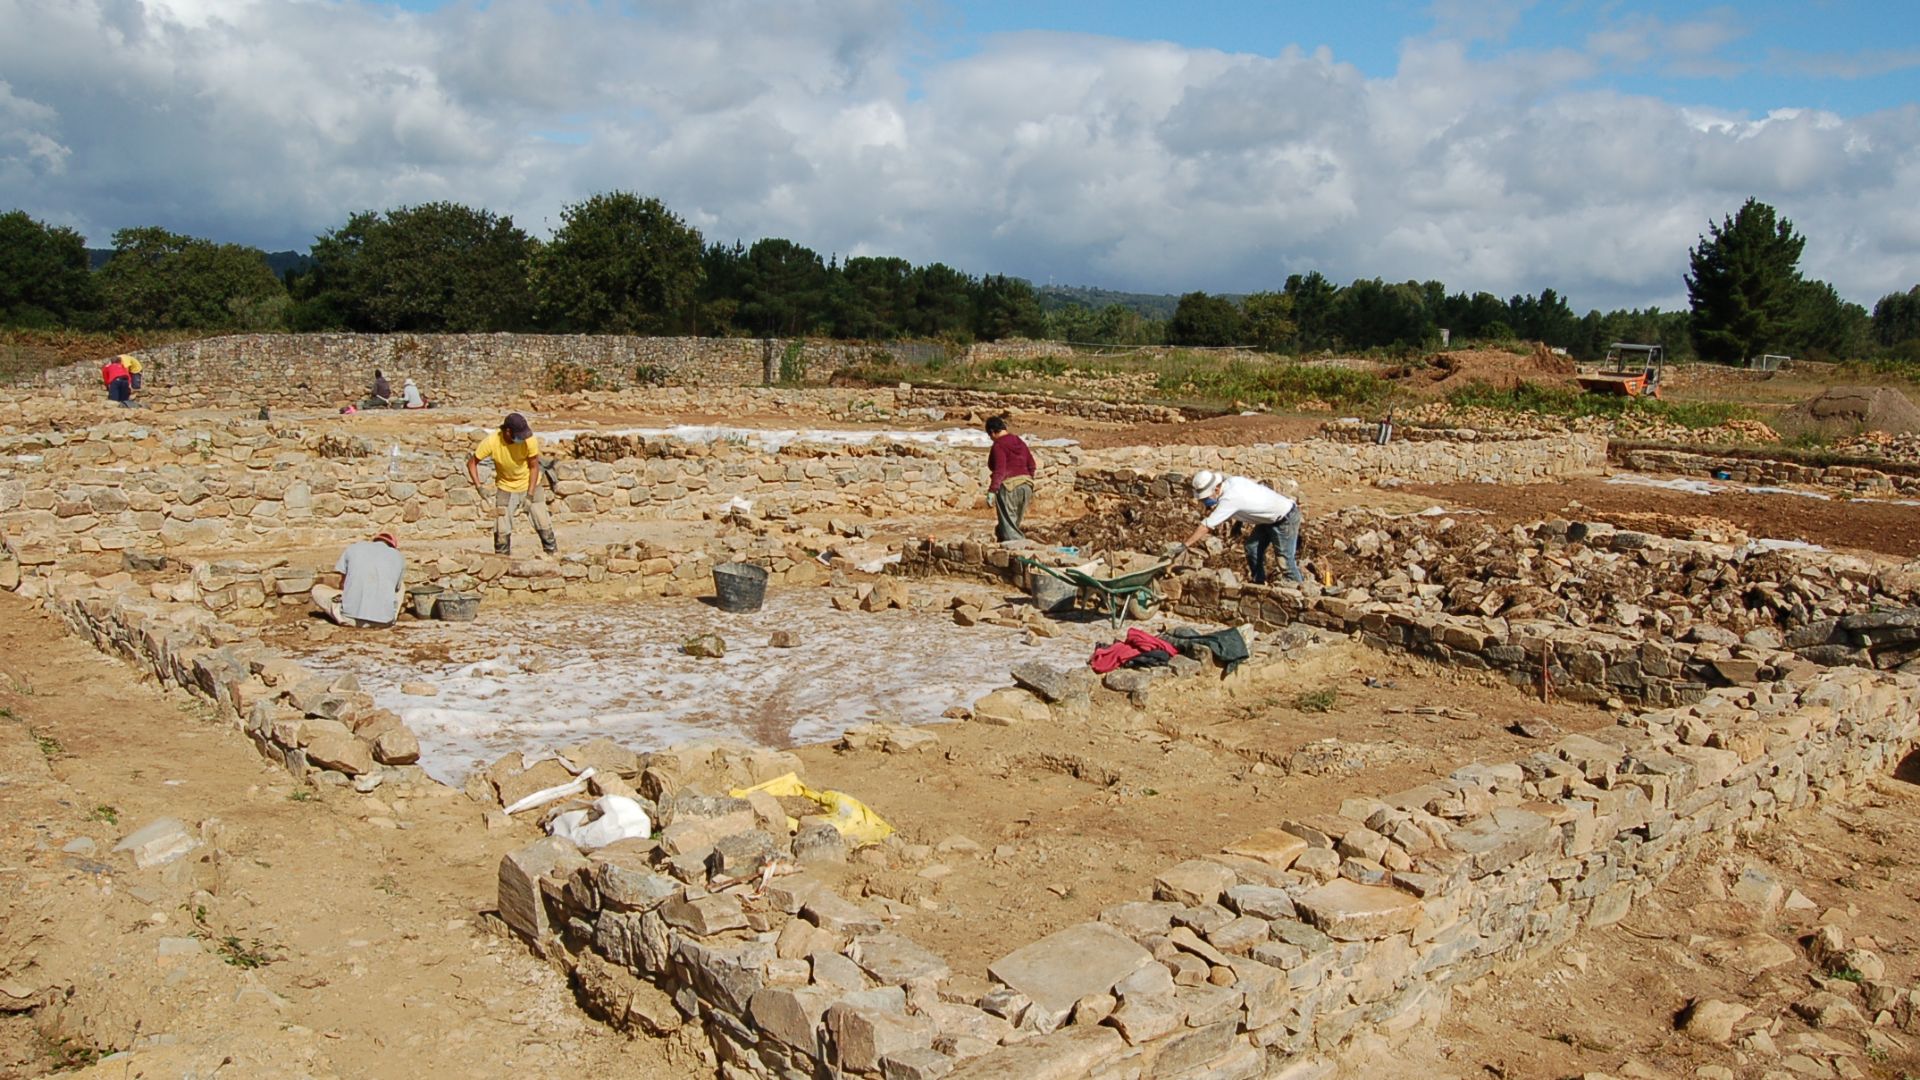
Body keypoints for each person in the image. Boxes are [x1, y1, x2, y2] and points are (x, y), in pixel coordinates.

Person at [1170, 470, 1304, 585]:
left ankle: (1300, 591)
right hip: (1268, 518)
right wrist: (1238, 524)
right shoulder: (1233, 481)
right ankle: (1259, 582)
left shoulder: (1229, 500)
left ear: (1216, 489)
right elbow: (1251, 499)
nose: (1204, 502)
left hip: (1285, 518)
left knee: (1284, 560)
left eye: (1205, 498)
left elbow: (1207, 525)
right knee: (1252, 548)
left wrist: (1185, 545)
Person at [467, 412, 557, 556]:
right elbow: (472, 463)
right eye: (519, 436)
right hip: (506, 487)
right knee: (501, 530)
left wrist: (530, 495)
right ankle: (502, 561)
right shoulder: (492, 442)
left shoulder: (529, 440)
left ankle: (552, 556)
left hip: (530, 483)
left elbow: (534, 467)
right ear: (508, 432)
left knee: (544, 524)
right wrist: (479, 487)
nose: (523, 439)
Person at [310, 532, 406, 627]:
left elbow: (343, 583)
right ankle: (388, 614)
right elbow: (396, 589)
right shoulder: (398, 556)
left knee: (317, 589)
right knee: (401, 586)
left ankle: (348, 610)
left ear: (374, 541)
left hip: (348, 618)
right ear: (392, 546)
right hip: (384, 622)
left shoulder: (354, 547)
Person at [984, 414, 1036, 542]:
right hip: (1026, 486)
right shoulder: (1019, 442)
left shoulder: (999, 445)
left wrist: (992, 490)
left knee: (1010, 530)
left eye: (990, 435)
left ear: (992, 432)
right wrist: (1028, 479)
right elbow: (1032, 465)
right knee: (1013, 524)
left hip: (1009, 487)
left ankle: (1019, 550)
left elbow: (1000, 470)